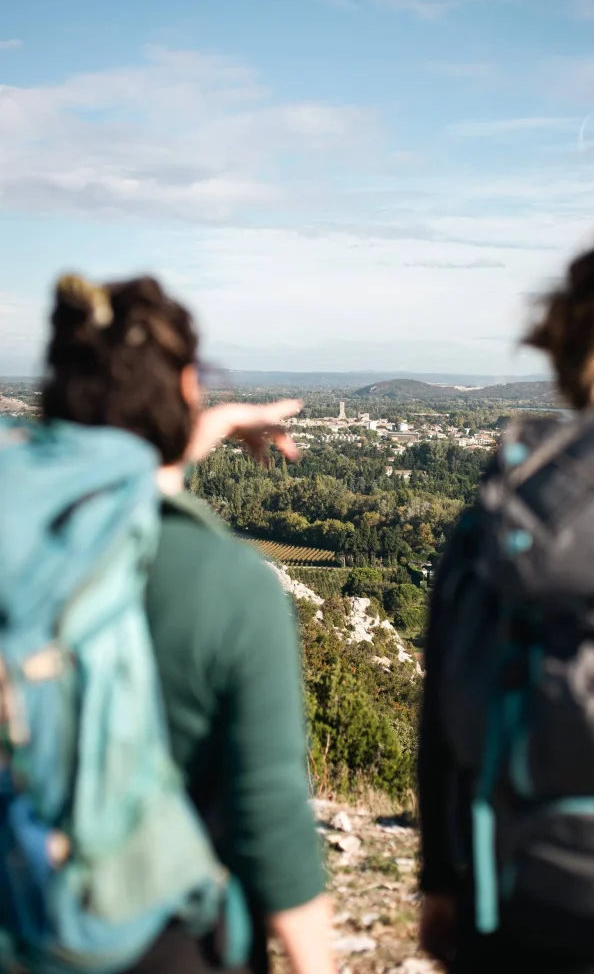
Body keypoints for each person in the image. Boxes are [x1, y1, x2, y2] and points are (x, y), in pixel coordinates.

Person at [39, 274, 336, 974]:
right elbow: (271, 824)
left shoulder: (21, 546)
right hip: (165, 941)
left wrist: (194, 428)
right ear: (183, 388)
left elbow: (115, 473)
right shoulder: (228, 586)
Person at [418, 220, 594, 973]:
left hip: (515, 897)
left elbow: (443, 708)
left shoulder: (507, 504)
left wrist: (440, 884)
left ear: (563, 353)